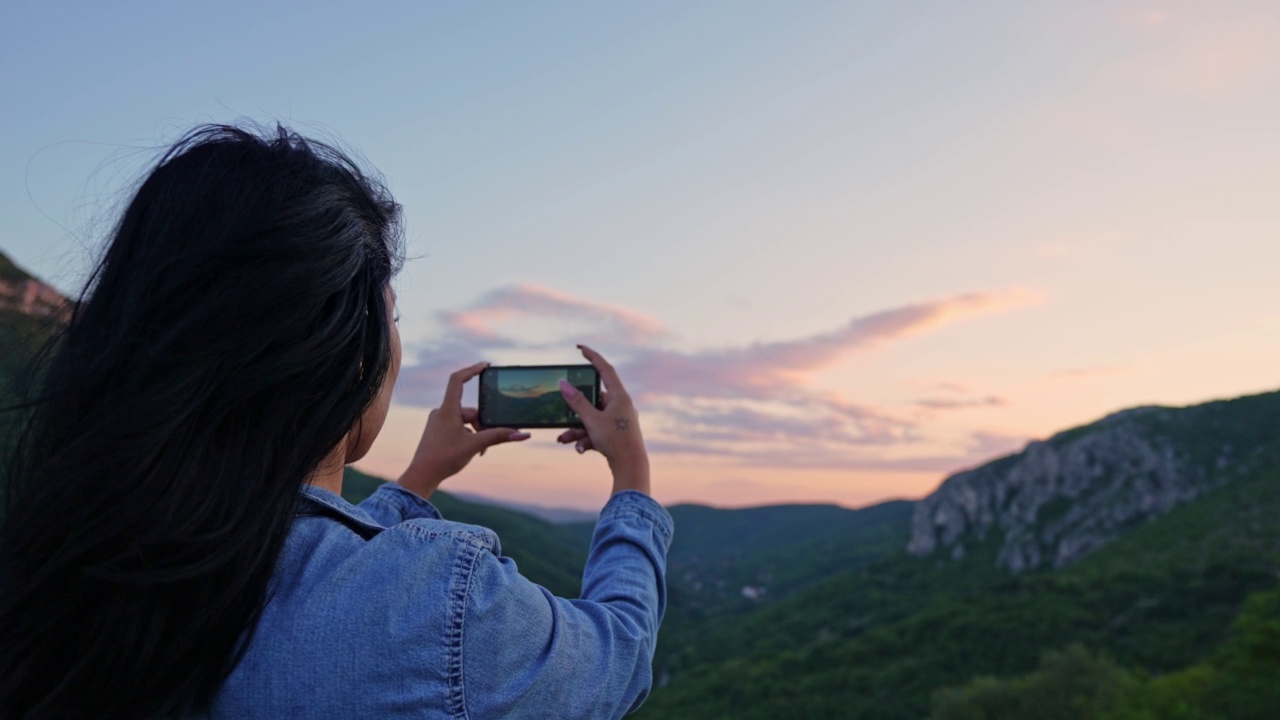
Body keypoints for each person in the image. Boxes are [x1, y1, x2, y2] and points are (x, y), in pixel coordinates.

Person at [0, 125, 673, 720]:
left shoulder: (66, 566)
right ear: (350, 356)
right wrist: (632, 477)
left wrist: (418, 480)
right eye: (393, 317)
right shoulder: (445, 607)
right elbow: (616, 656)